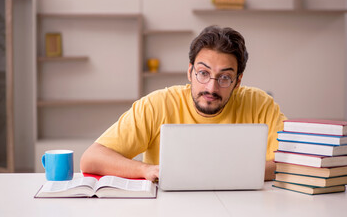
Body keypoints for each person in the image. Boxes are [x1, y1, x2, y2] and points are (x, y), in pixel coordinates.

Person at [80, 25, 287, 182]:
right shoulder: (157, 104)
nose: (211, 88)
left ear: (238, 81)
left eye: (224, 78)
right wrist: (147, 170)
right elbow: (91, 159)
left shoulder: (261, 105)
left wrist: (225, 173)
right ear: (190, 72)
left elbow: (290, 163)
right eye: (203, 73)